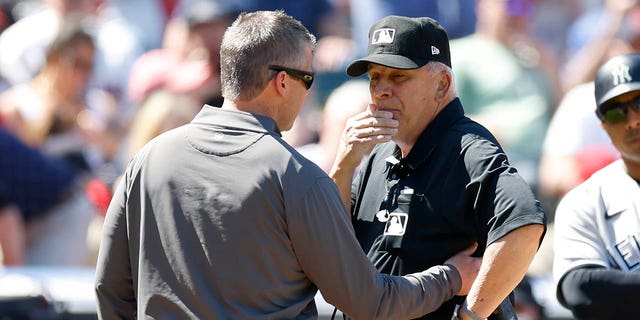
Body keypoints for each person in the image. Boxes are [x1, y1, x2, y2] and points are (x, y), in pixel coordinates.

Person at [94, 10, 482, 319]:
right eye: (308, 79)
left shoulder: (146, 159)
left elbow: (110, 292)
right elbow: (369, 303)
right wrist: (450, 277)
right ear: (282, 82)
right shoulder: (295, 176)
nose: (308, 92)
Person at [330, 15, 547, 319]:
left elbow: (524, 226)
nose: (381, 90)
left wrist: (471, 315)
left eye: (398, 76)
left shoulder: (468, 148)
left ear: (441, 84)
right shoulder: (378, 152)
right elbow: (333, 248)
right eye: (375, 76)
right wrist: (343, 166)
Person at [553, 53, 640, 319]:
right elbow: (580, 288)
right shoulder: (585, 201)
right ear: (603, 125)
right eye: (615, 112)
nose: (633, 120)